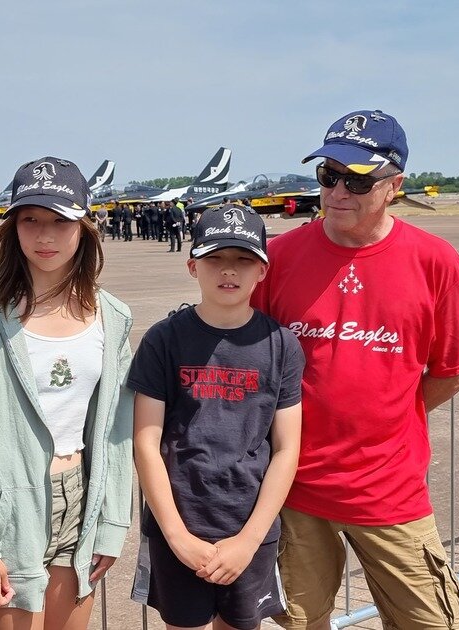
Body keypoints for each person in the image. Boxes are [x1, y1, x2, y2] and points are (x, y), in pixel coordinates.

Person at [251, 110, 459, 630]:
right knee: (298, 622)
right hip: (296, 487)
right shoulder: (279, 259)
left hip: (388, 489)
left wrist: (388, 416)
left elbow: (450, 372)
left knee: (431, 622)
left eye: (358, 179)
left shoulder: (438, 264)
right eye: (328, 175)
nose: (339, 191)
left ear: (394, 185)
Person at [0, 157, 135, 630]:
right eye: (31, 220)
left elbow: (117, 429)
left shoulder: (112, 316)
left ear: (84, 226)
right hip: (6, 510)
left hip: (81, 500)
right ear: (13, 228)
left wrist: (113, 521)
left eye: (60, 221)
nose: (45, 236)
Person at [131, 204, 303, 630]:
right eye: (215, 259)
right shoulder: (163, 340)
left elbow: (286, 448)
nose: (229, 271)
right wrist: (177, 537)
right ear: (193, 266)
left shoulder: (281, 345)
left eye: (244, 260)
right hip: (179, 522)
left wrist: (248, 540)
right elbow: (145, 443)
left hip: (249, 524)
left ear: (262, 270)